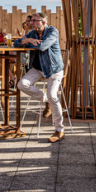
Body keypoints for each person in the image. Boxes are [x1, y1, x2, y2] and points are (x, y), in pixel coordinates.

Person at [14, 12, 66, 142]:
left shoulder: (52, 31)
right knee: (21, 84)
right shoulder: (33, 33)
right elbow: (16, 43)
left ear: (43, 22)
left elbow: (42, 46)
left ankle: (59, 130)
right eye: (31, 21)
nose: (31, 23)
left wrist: (28, 43)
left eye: (35, 21)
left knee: (53, 95)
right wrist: (28, 40)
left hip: (53, 70)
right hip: (37, 69)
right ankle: (46, 100)